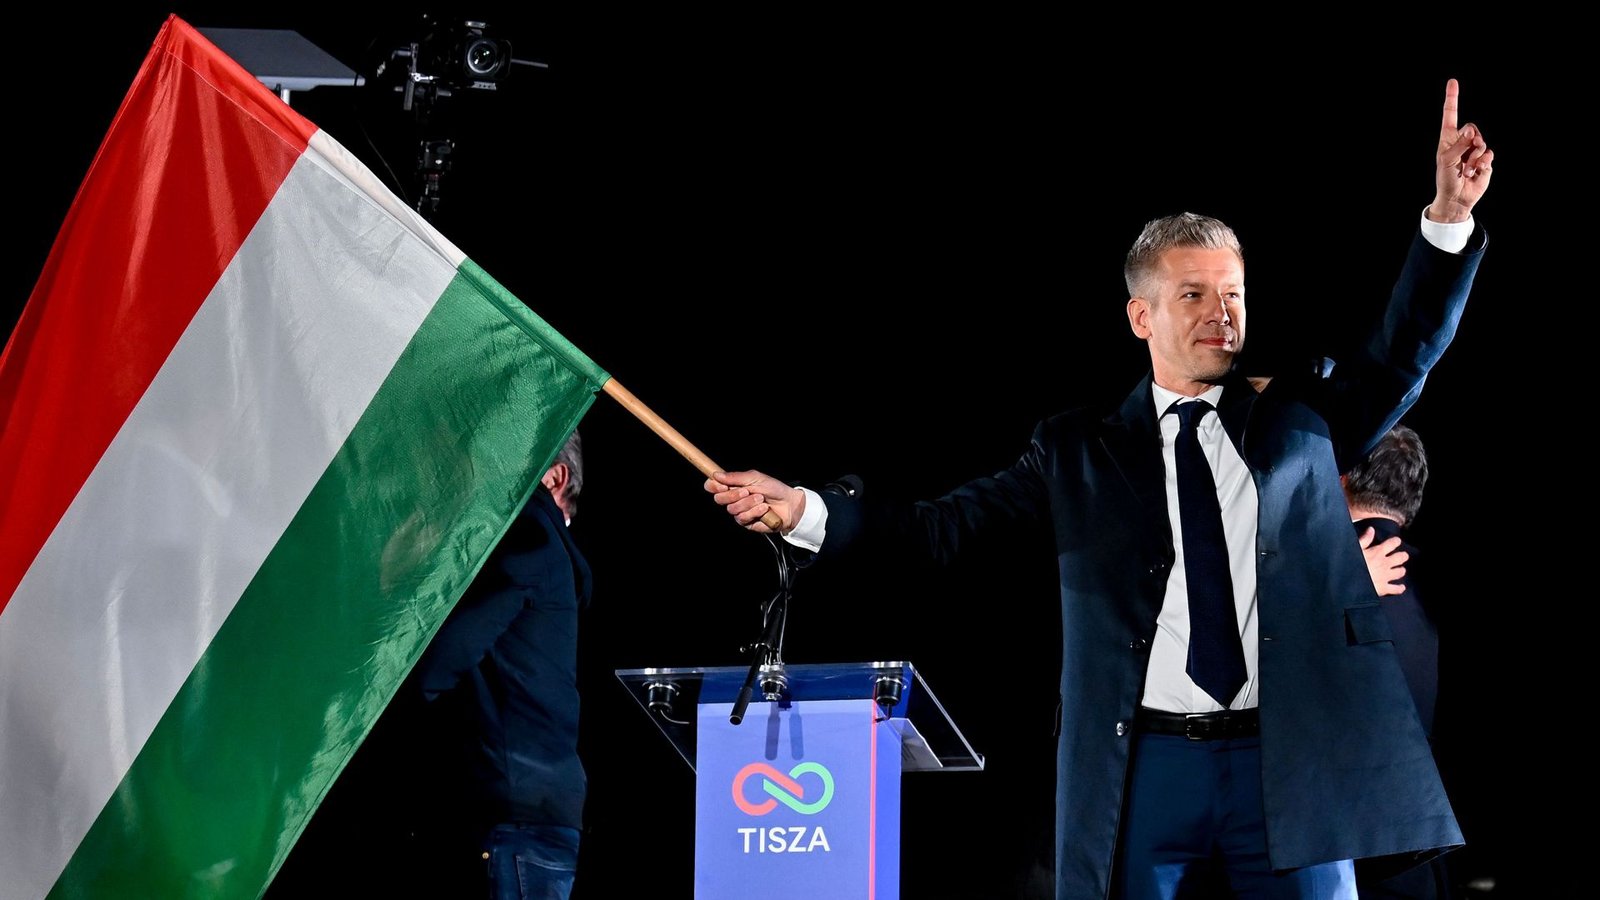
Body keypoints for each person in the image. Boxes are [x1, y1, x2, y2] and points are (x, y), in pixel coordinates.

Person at [705, 79, 1492, 900]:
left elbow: (1404, 352)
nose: (1221, 313)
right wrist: (807, 511)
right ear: (1140, 316)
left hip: (1284, 763)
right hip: (1144, 766)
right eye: (1193, 294)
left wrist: (1447, 218)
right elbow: (939, 531)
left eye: (1234, 294)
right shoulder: (1075, 450)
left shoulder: (1300, 416)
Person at [410, 428, 594, 900]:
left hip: (519, 817)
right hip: (528, 813)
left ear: (554, 476)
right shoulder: (549, 550)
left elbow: (438, 661)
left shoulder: (530, 535)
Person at [1345, 425, 1456, 900]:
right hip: (1424, 845)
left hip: (1353, 854)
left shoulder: (1325, 574)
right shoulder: (1432, 581)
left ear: (1342, 477)